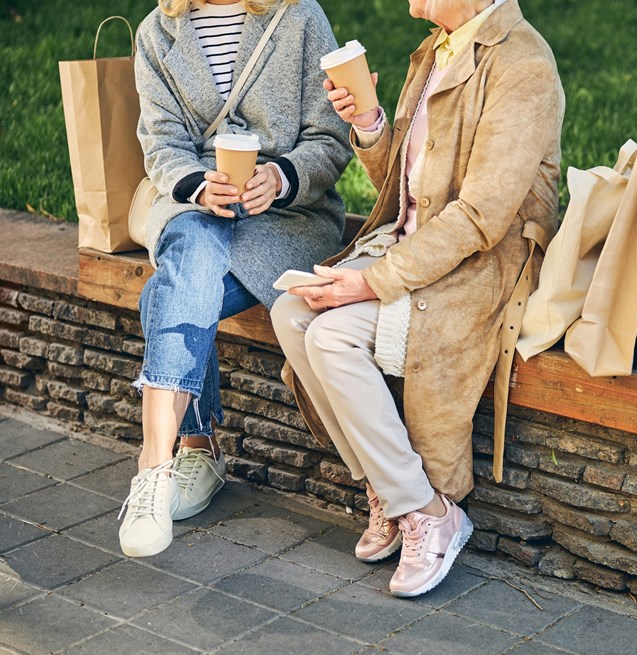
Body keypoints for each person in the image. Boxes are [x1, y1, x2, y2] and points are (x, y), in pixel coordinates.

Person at [270, 0, 564, 597]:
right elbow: (403, 190)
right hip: (415, 245)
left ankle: (428, 511)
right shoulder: (436, 49)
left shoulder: (523, 63)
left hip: (479, 267)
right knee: (291, 311)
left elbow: (479, 218)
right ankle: (388, 486)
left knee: (331, 334)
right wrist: (371, 123)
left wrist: (370, 282)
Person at [117, 0, 352, 557]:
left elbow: (331, 138)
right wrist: (199, 186)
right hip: (196, 209)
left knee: (168, 292)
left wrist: (282, 176)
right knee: (192, 254)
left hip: (287, 219)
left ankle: (191, 452)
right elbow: (162, 144)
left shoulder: (300, 18)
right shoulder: (157, 32)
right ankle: (159, 466)